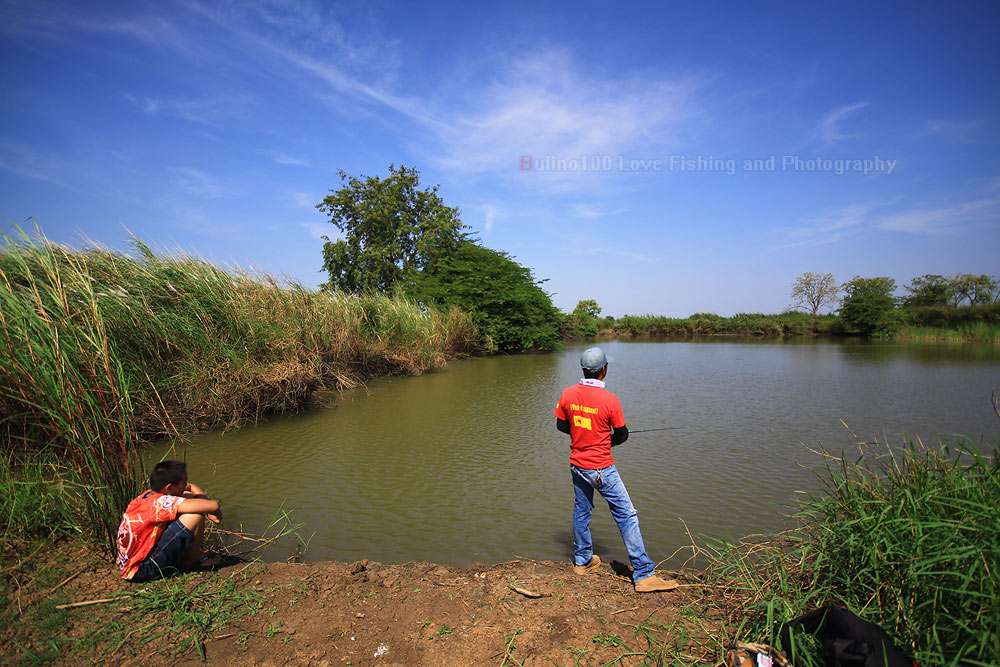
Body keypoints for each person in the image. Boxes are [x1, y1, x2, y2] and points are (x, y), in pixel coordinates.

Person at [554, 346, 678, 593]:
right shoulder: (610, 400)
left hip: (577, 464)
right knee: (626, 515)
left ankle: (583, 561)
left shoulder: (567, 394)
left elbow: (561, 425)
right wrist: (602, 440)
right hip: (601, 468)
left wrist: (585, 436)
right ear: (603, 370)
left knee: (582, 511)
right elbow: (621, 435)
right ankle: (643, 574)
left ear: (584, 370)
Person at [115, 460, 223, 582]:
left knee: (187, 495)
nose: (186, 484)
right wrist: (212, 511)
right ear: (169, 487)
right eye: (183, 482)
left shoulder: (148, 495)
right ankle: (191, 559)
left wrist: (192, 488)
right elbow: (213, 505)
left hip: (130, 563)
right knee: (195, 515)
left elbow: (189, 488)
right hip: (141, 570)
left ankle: (187, 555)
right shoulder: (162, 503)